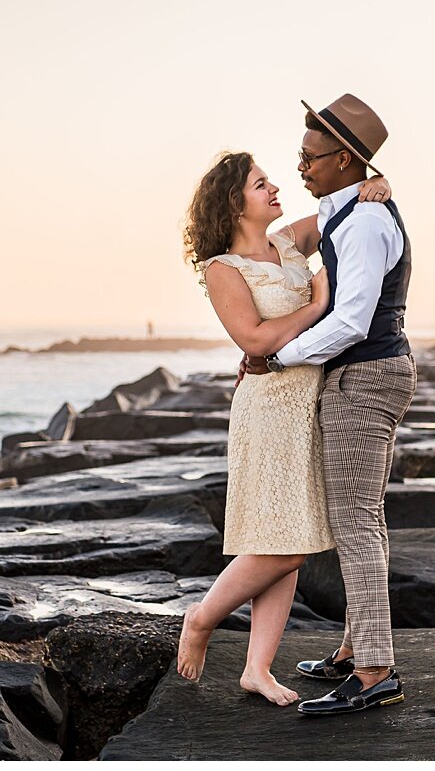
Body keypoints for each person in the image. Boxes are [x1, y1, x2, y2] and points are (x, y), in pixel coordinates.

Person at [176, 149, 393, 706]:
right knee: (286, 543)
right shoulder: (222, 268)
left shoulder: (290, 241)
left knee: (287, 534)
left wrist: (380, 181)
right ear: (233, 202)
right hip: (269, 407)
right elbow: (253, 340)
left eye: (271, 181)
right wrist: (318, 304)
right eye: (260, 184)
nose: (275, 189)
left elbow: (343, 206)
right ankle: (202, 618)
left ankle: (257, 668)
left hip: (310, 401)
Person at [243, 94, 416, 718]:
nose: (301, 167)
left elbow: (351, 319)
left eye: (310, 157)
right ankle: (354, 648)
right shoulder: (347, 209)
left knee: (356, 522)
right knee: (359, 516)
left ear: (344, 158)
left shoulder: (366, 221)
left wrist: (279, 358)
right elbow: (271, 243)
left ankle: (374, 672)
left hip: (365, 375)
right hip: (366, 374)